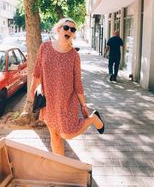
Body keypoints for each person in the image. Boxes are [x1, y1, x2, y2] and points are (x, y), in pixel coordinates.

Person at [28, 18, 105, 156]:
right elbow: (37, 71)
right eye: (66, 27)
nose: (69, 31)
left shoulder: (74, 55)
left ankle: (93, 119)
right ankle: (60, 166)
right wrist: (32, 90)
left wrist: (83, 105)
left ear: (74, 34)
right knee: (55, 136)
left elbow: (77, 83)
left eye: (73, 29)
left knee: (68, 134)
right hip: (49, 101)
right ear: (58, 29)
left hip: (66, 102)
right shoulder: (44, 47)